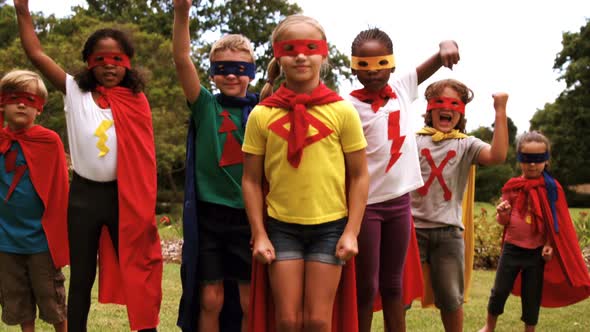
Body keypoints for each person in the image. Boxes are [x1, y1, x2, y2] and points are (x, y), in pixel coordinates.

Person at [14, 1, 163, 331]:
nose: (109, 66)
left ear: (128, 63)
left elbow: (143, 158)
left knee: (138, 270)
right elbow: (36, 54)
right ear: (88, 62)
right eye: (100, 59)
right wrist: (22, 11)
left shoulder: (137, 101)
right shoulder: (73, 92)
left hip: (124, 199)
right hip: (83, 197)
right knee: (82, 277)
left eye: (117, 60)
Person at [242, 14, 369, 332]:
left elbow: (360, 175)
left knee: (317, 320)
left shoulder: (342, 111)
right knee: (286, 320)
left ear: (323, 54)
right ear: (279, 55)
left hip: (330, 228)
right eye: (291, 48)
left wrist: (351, 231)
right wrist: (259, 233)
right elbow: (251, 180)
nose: (301, 55)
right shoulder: (261, 115)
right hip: (281, 228)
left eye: (310, 47)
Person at [347, 27, 460, 332]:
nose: (373, 73)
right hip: (366, 205)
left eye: (380, 64)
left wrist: (445, 44)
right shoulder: (346, 105)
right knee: (366, 286)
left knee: (394, 285)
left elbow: (435, 62)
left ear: (392, 64)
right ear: (354, 66)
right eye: (365, 65)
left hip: (399, 203)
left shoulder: (400, 88)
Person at [172, 0, 258, 331]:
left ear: (251, 71)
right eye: (223, 69)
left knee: (250, 300)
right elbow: (181, 59)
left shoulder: (263, 113)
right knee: (210, 298)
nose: (232, 76)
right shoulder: (205, 106)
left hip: (248, 218)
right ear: (212, 73)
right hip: (209, 217)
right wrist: (182, 12)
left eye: (240, 68)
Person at [410, 78, 509, 332]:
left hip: (448, 233)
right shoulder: (413, 141)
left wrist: (500, 111)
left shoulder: (466, 144)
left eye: (455, 103)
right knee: (400, 295)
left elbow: (497, 156)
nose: (447, 108)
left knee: (451, 299)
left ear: (461, 111)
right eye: (440, 102)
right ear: (429, 109)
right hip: (411, 231)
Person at [478, 131, 590, 332]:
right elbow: (502, 221)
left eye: (538, 159)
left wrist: (548, 244)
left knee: (532, 295)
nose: (532, 164)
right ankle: (489, 326)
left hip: (536, 253)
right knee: (499, 291)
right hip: (512, 249)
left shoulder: (551, 188)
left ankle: (530, 330)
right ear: (519, 159)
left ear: (546, 161)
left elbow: (555, 223)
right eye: (527, 159)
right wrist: (502, 213)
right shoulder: (512, 187)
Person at [0, 69, 69, 332]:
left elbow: (60, 190)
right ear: (2, 103)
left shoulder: (48, 141)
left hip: (41, 239)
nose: (21, 104)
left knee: (52, 298)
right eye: (14, 98)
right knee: (17, 299)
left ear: (39, 108)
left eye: (30, 100)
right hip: (6, 239)